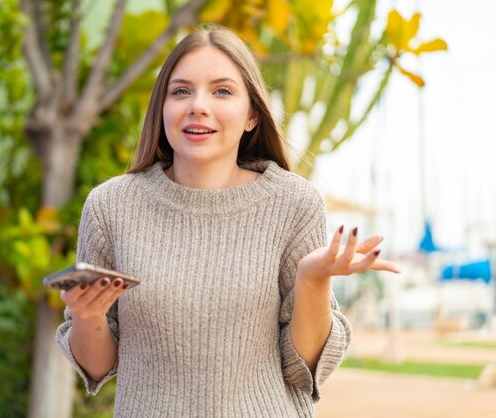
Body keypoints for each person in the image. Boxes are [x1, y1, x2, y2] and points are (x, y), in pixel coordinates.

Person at [56, 25, 400, 417]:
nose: (197, 105)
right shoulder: (111, 206)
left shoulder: (293, 203)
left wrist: (312, 279)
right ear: (162, 109)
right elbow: (97, 367)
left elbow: (304, 368)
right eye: (181, 91)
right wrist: (88, 315)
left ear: (252, 114)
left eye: (222, 91)